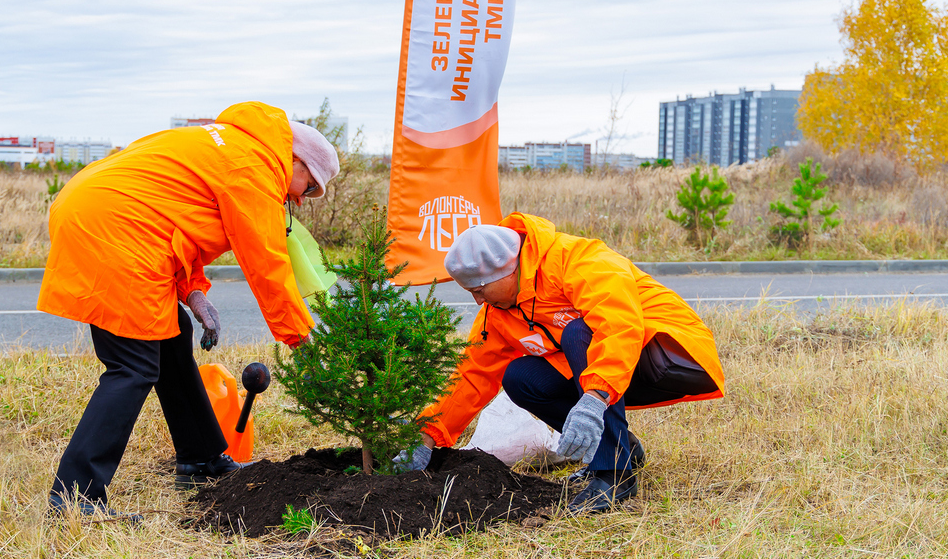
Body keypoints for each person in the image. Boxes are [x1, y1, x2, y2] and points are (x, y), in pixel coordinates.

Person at [37, 101, 338, 517]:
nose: (302, 201)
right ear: (295, 159)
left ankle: (202, 460)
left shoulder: (234, 147)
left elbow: (174, 217)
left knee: (172, 335)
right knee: (134, 365)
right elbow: (267, 267)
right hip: (115, 226)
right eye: (308, 188)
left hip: (104, 212)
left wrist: (193, 291)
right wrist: (301, 338)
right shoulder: (252, 170)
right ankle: (74, 497)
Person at [396, 213, 724, 513]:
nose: (478, 300)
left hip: (671, 353)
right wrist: (428, 436)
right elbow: (472, 376)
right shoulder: (497, 312)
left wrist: (594, 399)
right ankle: (622, 448)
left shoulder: (577, 260)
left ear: (507, 269)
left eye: (479, 289)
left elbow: (618, 326)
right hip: (610, 367)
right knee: (520, 377)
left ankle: (613, 476)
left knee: (579, 332)